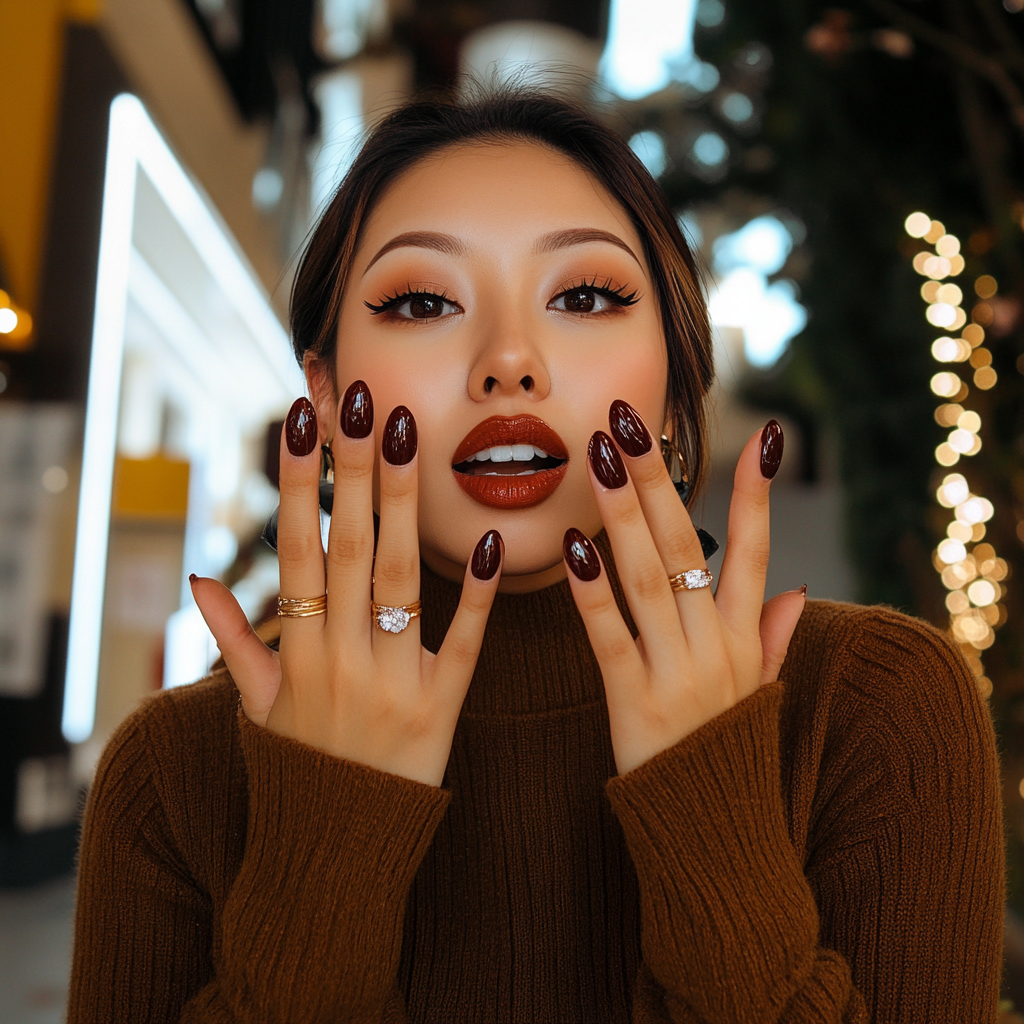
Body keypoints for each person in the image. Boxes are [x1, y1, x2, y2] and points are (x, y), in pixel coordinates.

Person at [68, 90, 1004, 1023]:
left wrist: (715, 831)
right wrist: (323, 853)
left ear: (678, 383)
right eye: (424, 301)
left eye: (585, 296)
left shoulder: (876, 709)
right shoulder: (174, 773)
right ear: (324, 390)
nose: (508, 360)